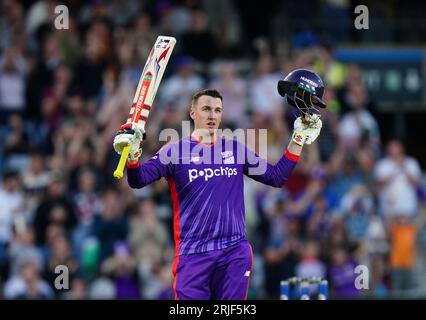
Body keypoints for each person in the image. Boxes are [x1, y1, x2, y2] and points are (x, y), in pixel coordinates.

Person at [113, 69, 325, 300]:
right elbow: (138, 180)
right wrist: (133, 156)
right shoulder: (174, 151)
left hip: (233, 251)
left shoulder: (234, 149)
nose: (212, 115)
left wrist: (298, 139)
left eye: (217, 110)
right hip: (193, 254)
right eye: (206, 109)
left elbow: (276, 177)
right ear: (192, 112)